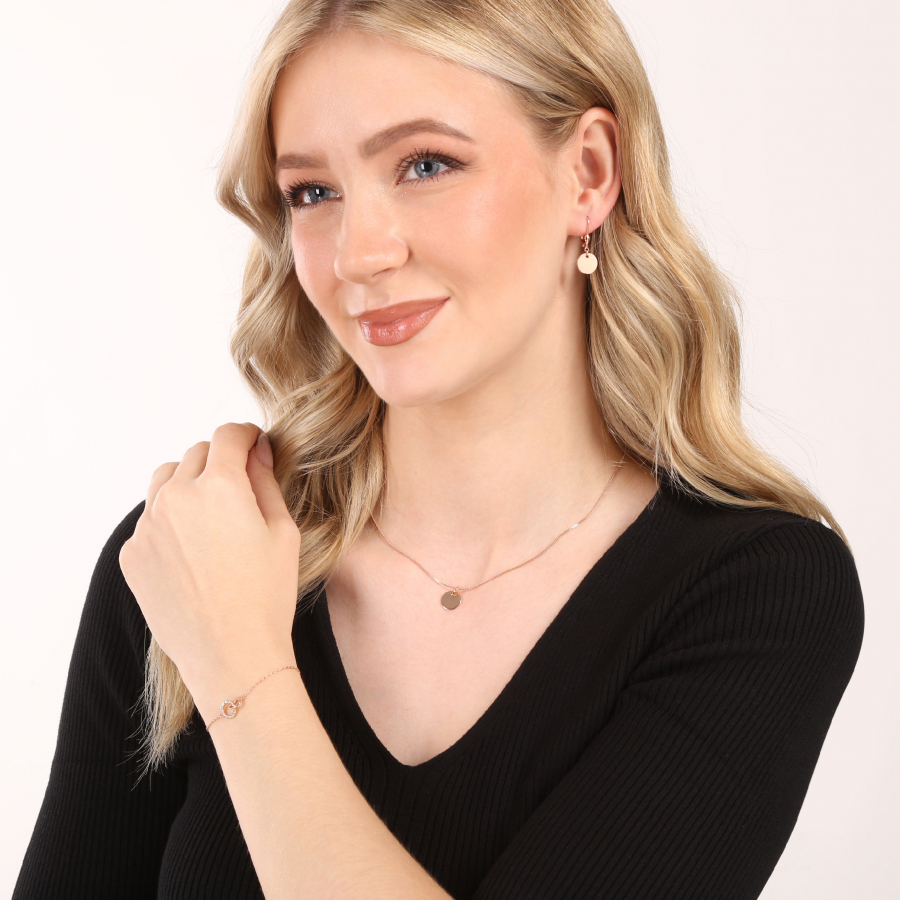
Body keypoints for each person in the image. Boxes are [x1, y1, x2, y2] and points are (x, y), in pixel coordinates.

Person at [14, 1, 864, 898]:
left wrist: (239, 668)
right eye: (313, 192)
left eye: (426, 165)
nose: (359, 254)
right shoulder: (192, 555)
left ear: (588, 173)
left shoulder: (759, 591)